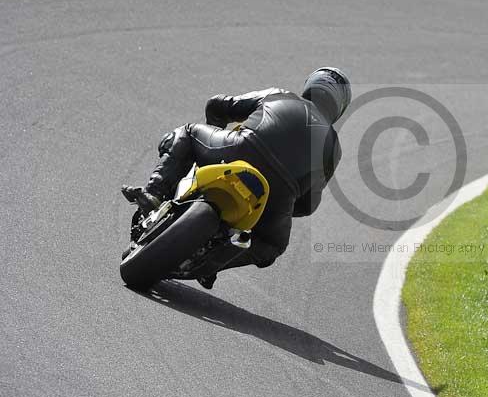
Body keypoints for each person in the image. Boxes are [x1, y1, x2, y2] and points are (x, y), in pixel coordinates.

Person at [122, 67, 350, 289]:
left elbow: (218, 104)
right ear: (338, 108)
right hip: (279, 193)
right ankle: (214, 263)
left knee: (188, 133)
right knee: (273, 245)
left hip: (238, 149)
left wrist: (214, 135)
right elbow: (308, 205)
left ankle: (154, 192)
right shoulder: (334, 149)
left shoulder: (279, 95)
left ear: (310, 86)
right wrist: (283, 200)